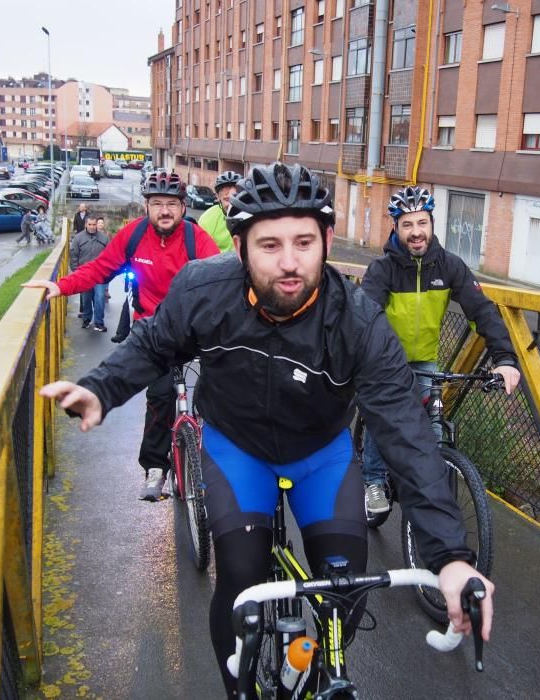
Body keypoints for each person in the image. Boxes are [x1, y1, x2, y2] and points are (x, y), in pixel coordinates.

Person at [36, 162, 496, 698]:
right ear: (239, 248)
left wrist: (452, 559)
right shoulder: (204, 289)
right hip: (240, 448)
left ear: (327, 240)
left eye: (304, 242)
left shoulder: (358, 320)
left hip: (320, 452)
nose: (289, 263)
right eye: (269, 245)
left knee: (347, 589)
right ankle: (240, 690)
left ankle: (313, 672)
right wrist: (101, 388)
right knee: (240, 578)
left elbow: (407, 433)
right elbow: (154, 344)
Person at [23, 171, 220, 501]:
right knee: (159, 396)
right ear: (146, 206)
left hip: (194, 328)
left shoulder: (196, 240)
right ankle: (156, 467)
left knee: (222, 387)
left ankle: (216, 458)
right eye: (157, 203)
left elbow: (222, 280)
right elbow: (99, 269)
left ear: (184, 208)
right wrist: (60, 286)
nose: (165, 211)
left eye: (172, 204)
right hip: (154, 333)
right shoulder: (133, 235)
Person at [357, 186, 521, 514]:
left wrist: (504, 359)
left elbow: (482, 311)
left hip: (425, 363)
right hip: (385, 361)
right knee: (382, 415)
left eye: (422, 223)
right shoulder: (383, 270)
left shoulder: (449, 267)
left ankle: (428, 494)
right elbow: (365, 315)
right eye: (407, 224)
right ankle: (374, 481)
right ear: (396, 228)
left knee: (431, 431)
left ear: (432, 224)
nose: (416, 232)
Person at [69, 215, 111, 332]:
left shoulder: (104, 238)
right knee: (86, 298)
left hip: (100, 275)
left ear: (97, 224)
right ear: (86, 225)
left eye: (94, 225)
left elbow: (110, 256)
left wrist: (108, 272)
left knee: (99, 298)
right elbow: (73, 255)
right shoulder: (78, 238)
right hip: (84, 275)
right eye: (90, 225)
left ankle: (99, 322)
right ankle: (86, 319)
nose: (92, 227)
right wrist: (76, 271)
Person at [198, 170, 242, 252]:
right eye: (225, 190)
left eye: (235, 189)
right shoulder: (207, 219)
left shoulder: (251, 214)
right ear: (218, 197)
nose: (230, 193)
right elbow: (203, 251)